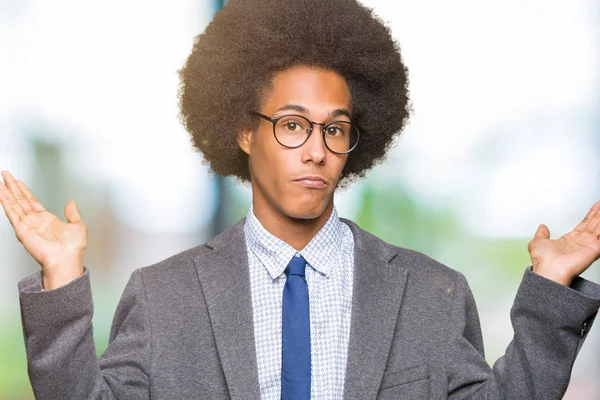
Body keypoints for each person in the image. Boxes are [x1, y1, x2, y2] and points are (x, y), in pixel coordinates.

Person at [2, 0, 600, 399]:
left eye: (334, 129)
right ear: (244, 132)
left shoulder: (427, 294)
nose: (315, 150)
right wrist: (61, 275)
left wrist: (550, 293)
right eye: (292, 124)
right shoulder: (165, 298)